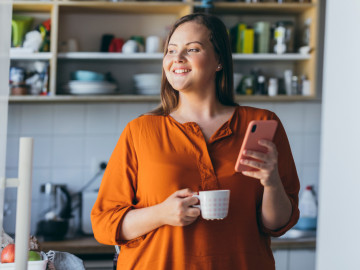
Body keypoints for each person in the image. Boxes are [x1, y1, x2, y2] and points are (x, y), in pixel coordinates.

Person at [91, 13, 300, 270]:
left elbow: (277, 224)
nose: (177, 58)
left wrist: (272, 182)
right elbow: (104, 225)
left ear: (219, 60)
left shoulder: (260, 123)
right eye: (171, 50)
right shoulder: (141, 130)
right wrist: (161, 213)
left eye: (192, 49)